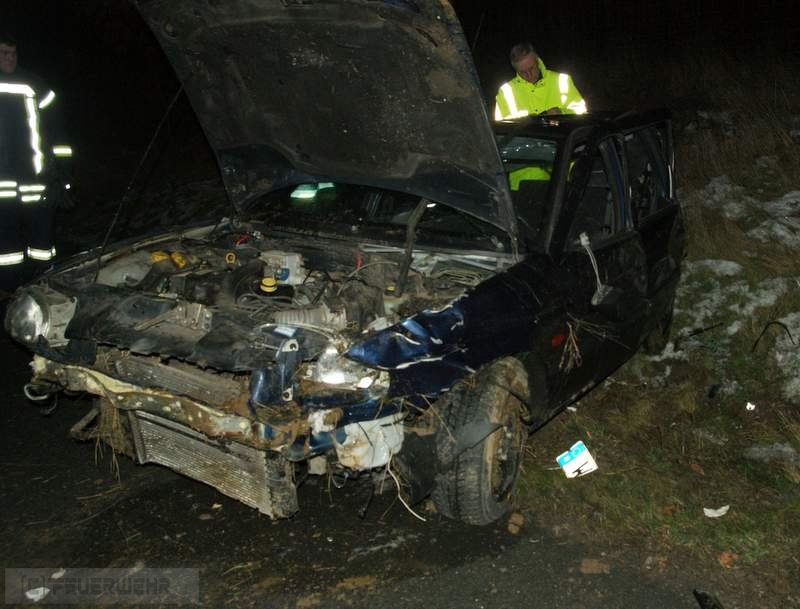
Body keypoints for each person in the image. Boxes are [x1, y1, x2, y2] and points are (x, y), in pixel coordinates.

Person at [0, 31, 71, 290]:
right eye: (3, 53)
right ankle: (9, 294)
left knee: (41, 244)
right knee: (6, 248)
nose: (10, 58)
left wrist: (63, 173)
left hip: (38, 179)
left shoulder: (35, 85)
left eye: (13, 53)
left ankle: (44, 288)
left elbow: (58, 130)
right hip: (2, 184)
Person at [494, 42, 587, 121]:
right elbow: (499, 127)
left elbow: (582, 113)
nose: (529, 75)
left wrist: (561, 112)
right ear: (516, 70)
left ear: (537, 61)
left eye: (531, 68)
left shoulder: (562, 80)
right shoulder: (505, 91)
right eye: (523, 72)